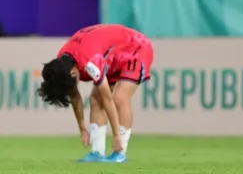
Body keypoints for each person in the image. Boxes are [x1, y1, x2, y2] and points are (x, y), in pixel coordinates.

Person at [37, 24, 155, 163]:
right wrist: (82, 129)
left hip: (135, 48)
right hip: (113, 55)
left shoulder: (90, 62)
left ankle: (120, 153)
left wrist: (116, 135)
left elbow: (108, 100)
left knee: (119, 98)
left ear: (73, 73)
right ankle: (97, 153)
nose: (73, 89)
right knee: (95, 99)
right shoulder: (61, 65)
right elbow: (74, 95)